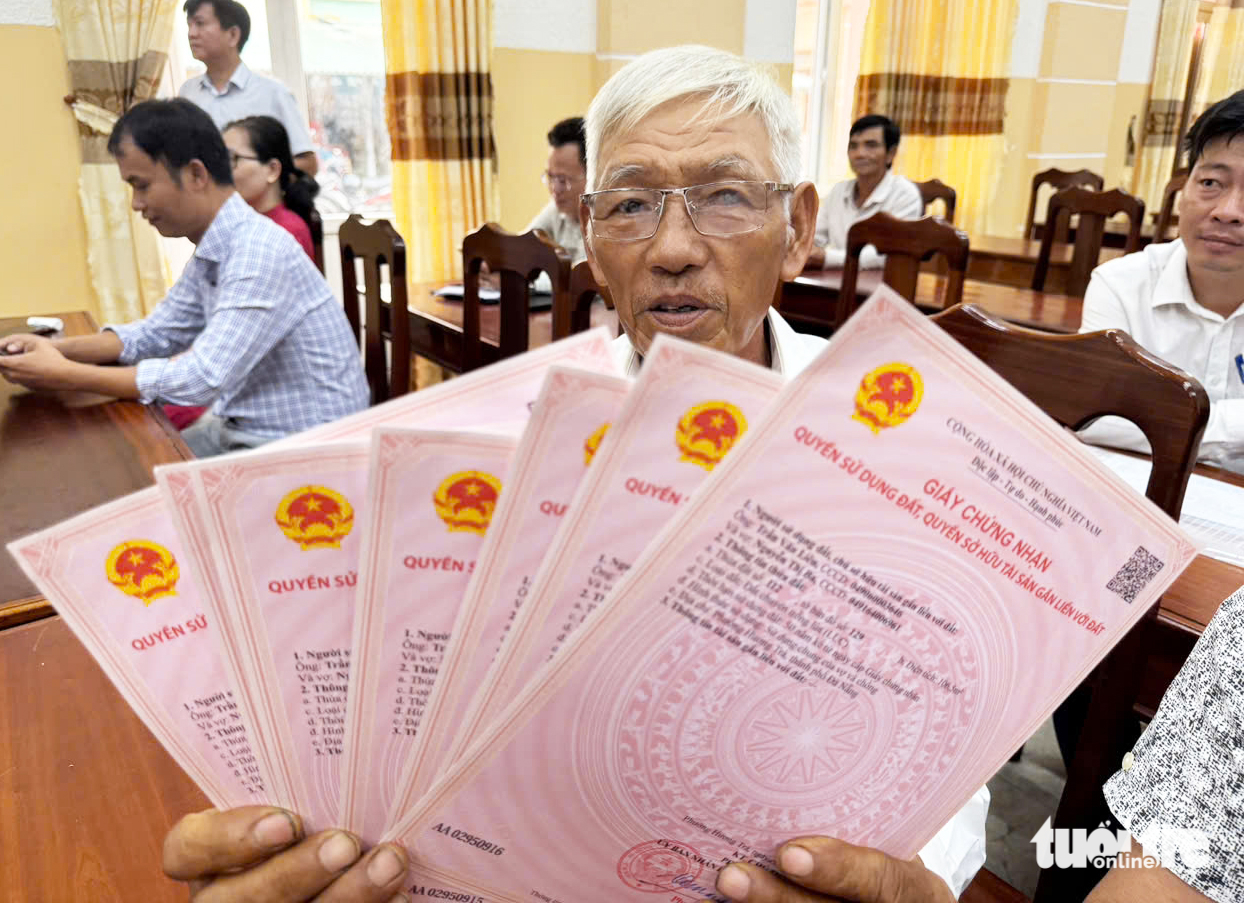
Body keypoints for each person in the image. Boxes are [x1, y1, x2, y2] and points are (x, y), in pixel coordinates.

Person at [154, 46, 990, 901]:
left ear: (799, 229)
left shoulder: (897, 453)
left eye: (726, 196)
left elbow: (951, 758)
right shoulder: (489, 461)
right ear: (590, 239)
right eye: (629, 204)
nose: (672, 248)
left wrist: (920, 883)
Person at [0, 99, 367, 458]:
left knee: (121, 472)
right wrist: (55, 350)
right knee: (119, 460)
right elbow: (157, 333)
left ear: (195, 174)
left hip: (308, 445)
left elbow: (201, 377)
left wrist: (64, 374)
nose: (136, 204)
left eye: (142, 185)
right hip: (243, 428)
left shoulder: (258, 251)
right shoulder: (217, 246)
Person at [1079, 89, 1244, 474]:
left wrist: (1160, 419)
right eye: (1210, 183)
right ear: (1182, 191)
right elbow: (1095, 418)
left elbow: (1125, 423)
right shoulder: (1121, 285)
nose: (1227, 212)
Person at [179, 0, 318, 176]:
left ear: (233, 35)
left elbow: (307, 163)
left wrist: (259, 179)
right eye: (189, 25)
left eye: (200, 23)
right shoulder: (187, 93)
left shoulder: (273, 93)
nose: (191, 34)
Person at [805, 114, 923, 270]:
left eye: (871, 145)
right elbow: (814, 237)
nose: (859, 154)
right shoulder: (838, 191)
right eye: (853, 146)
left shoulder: (905, 195)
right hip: (833, 278)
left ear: (891, 153)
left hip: (881, 281)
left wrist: (827, 258)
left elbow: (885, 254)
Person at [224, 115, 320, 259]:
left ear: (272, 170)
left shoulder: (288, 232)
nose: (222, 170)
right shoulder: (237, 223)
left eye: (233, 159)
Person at [524, 116, 589, 264]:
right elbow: (522, 246)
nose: (555, 189)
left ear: (593, 176)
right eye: (550, 177)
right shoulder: (558, 210)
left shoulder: (609, 222)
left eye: (563, 180)